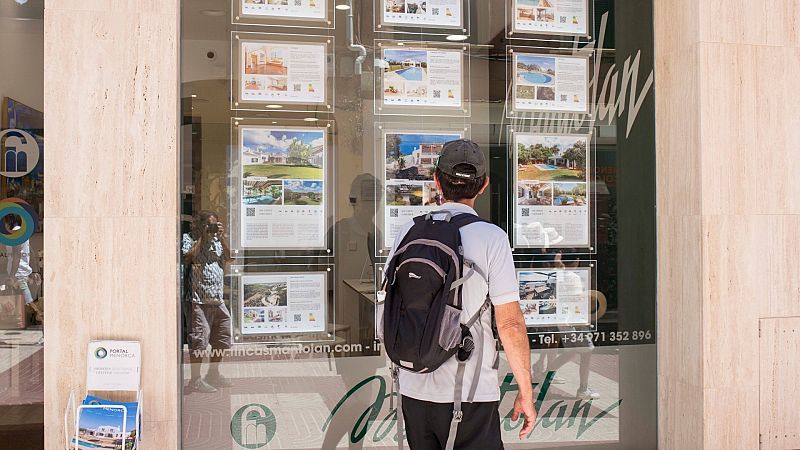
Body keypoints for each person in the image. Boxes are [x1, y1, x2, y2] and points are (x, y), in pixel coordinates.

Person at [386, 140, 536, 449]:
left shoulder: (408, 231)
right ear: (484, 186)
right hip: (470, 392)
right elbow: (509, 324)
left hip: (414, 388)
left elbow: (389, 303)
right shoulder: (491, 237)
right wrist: (526, 391)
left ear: (437, 181)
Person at [182, 210, 234, 393]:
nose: (212, 228)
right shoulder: (189, 238)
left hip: (217, 299)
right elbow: (188, 258)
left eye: (214, 225)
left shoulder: (218, 241)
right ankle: (195, 380)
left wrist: (222, 238)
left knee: (223, 337)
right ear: (199, 225)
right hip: (198, 300)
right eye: (208, 225)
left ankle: (213, 373)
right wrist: (203, 238)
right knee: (199, 341)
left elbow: (229, 258)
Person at [4, 214, 34, 308]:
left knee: (26, 301)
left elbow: (17, 255)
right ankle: (30, 316)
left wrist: (12, 275)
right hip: (19, 271)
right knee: (21, 301)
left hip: (18, 272)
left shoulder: (16, 233)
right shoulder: (20, 232)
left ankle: (36, 315)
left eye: (5, 221)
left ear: (10, 221)